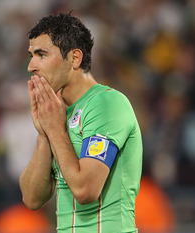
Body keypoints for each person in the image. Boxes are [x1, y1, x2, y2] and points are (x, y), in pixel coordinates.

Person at [19, 12, 143, 233]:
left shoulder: (108, 103)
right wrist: (43, 134)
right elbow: (31, 199)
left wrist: (55, 130)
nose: (31, 66)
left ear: (74, 58)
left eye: (41, 55)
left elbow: (86, 190)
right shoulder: (57, 114)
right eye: (31, 55)